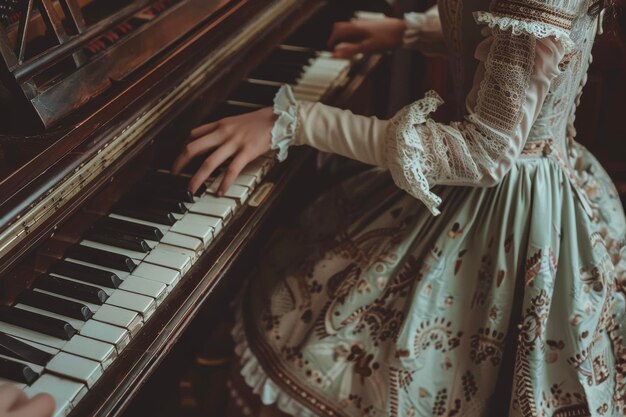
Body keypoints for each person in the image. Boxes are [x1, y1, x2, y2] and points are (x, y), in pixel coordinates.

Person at [172, 0, 626, 416]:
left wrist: (296, 120)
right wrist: (407, 32)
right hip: (498, 176)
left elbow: (481, 153)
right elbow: (503, 40)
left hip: (507, 211)